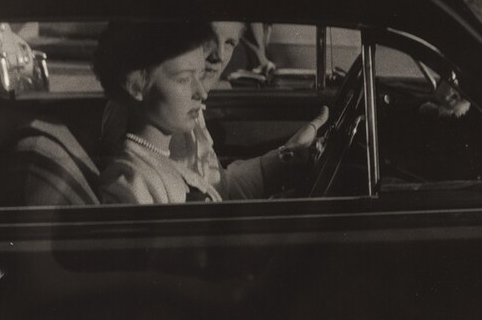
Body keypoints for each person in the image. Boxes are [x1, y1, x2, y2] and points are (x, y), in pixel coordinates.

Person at [100, 21, 329, 200]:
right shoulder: (146, 124)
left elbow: (217, 189)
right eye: (209, 37)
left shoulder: (180, 113)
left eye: (230, 42)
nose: (218, 55)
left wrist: (286, 157)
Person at [94, 21, 222, 204]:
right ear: (136, 85)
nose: (202, 93)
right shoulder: (130, 182)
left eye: (200, 76)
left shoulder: (160, 161)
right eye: (184, 79)